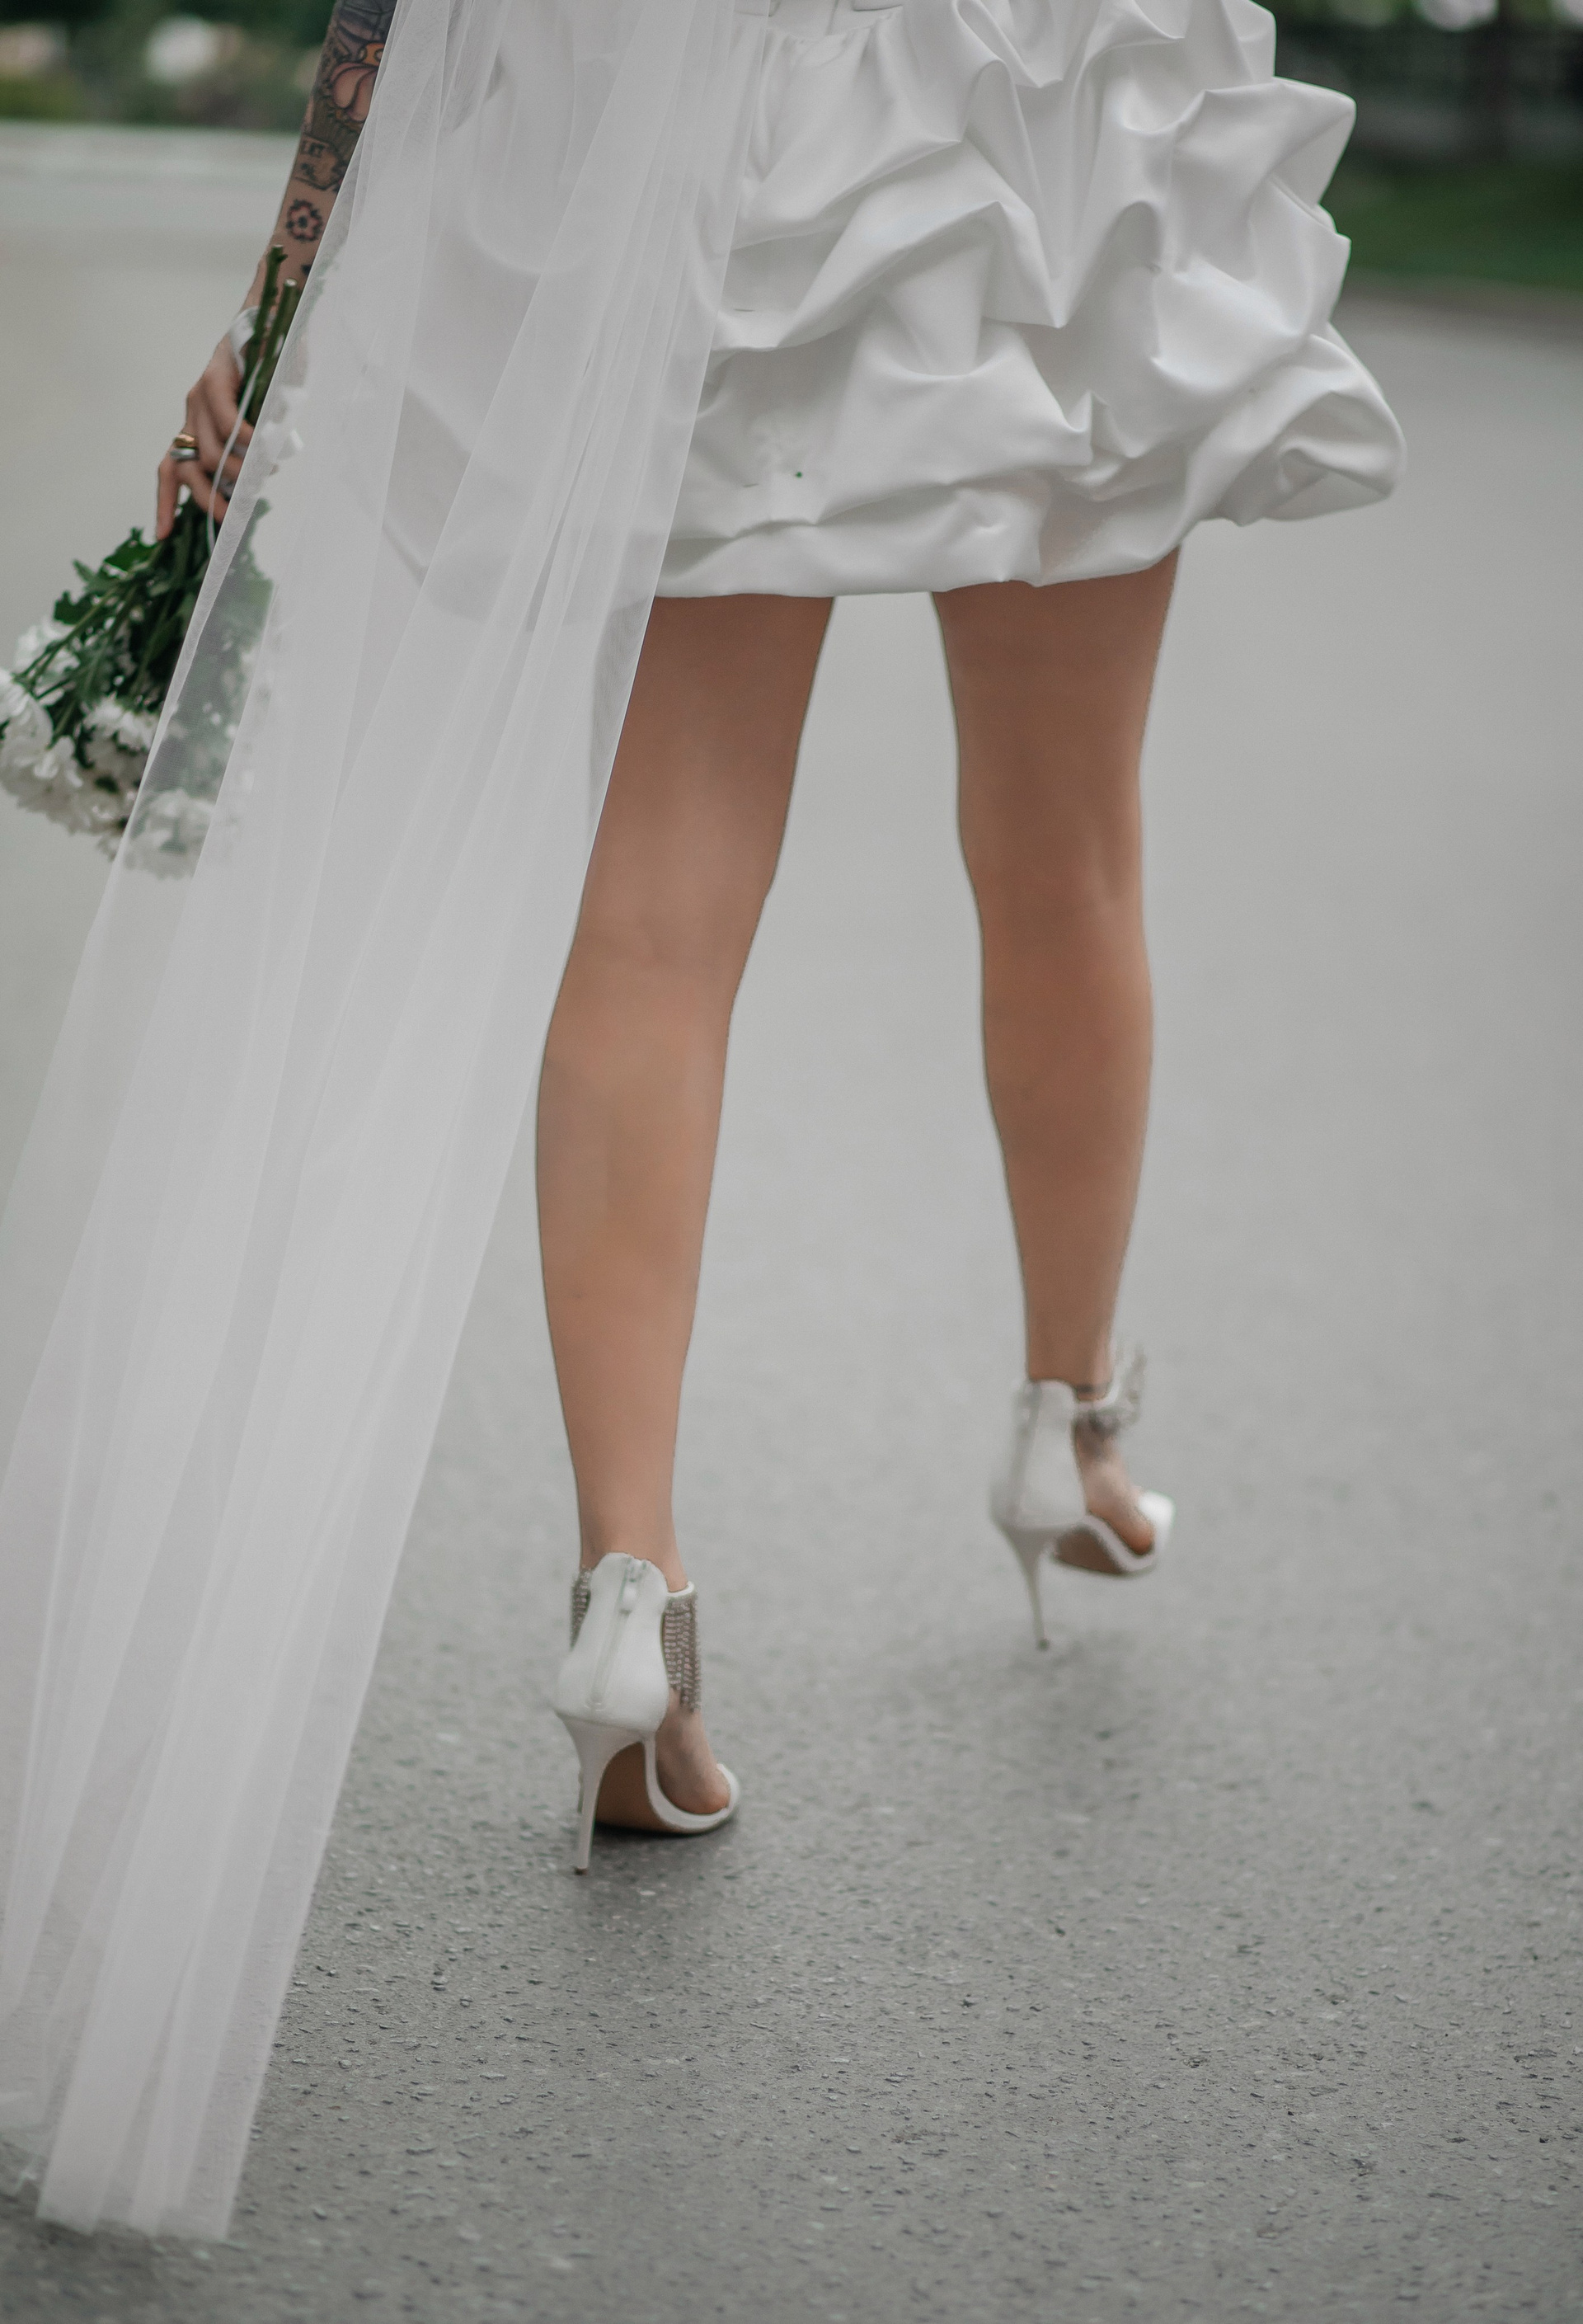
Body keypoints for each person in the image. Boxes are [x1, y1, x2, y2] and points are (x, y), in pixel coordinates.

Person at [0, 0, 1401, 2238]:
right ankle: (1070, 1425)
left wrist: (282, 287)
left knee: (652, 925)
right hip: (1040, 99)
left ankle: (631, 1598)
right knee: (1066, 853)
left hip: (697, 135)